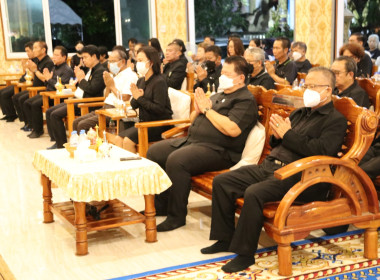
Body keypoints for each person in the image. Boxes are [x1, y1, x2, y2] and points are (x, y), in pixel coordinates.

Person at [201, 67, 347, 273]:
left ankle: (245, 254)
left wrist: (287, 135)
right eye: (306, 86)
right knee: (223, 181)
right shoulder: (300, 112)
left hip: (301, 176)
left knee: (254, 193)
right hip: (271, 166)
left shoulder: (335, 120)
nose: (308, 90)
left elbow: (322, 153)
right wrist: (277, 136)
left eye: (313, 86)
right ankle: (225, 239)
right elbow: (278, 141)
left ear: (328, 90)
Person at [147, 56, 258, 232]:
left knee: (177, 161)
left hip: (220, 150)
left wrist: (207, 109)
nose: (222, 77)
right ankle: (162, 205)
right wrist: (198, 111)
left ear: (241, 78)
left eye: (227, 74)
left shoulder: (245, 100)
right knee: (154, 152)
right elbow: (192, 120)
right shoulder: (218, 95)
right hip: (194, 141)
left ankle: (176, 216)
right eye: (223, 72)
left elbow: (232, 129)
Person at [108, 46, 172, 153]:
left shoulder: (159, 82)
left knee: (128, 141)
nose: (138, 63)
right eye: (137, 60)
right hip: (143, 124)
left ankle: (135, 167)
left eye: (141, 60)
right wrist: (136, 97)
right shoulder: (141, 80)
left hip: (158, 125)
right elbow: (134, 105)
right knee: (118, 139)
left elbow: (159, 109)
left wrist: (140, 98)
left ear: (150, 63)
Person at [46, 45, 106, 149]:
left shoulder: (100, 71)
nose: (83, 60)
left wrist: (81, 79)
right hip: (79, 99)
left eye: (85, 57)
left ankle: (61, 145)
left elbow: (92, 90)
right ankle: (58, 141)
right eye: (82, 58)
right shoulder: (90, 70)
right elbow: (83, 88)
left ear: (94, 56)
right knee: (50, 111)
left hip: (88, 103)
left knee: (55, 115)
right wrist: (78, 80)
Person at [72, 47, 138, 133]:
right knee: (76, 122)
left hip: (116, 110)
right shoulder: (116, 74)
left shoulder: (130, 75)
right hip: (105, 108)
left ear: (123, 61)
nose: (110, 64)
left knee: (82, 124)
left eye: (113, 61)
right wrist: (107, 85)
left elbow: (125, 98)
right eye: (109, 61)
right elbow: (106, 97)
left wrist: (112, 86)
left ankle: (87, 145)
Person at [23, 46, 74, 138]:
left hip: (58, 97)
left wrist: (49, 79)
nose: (54, 57)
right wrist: (47, 79)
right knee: (28, 102)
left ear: (64, 57)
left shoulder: (67, 70)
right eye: (53, 54)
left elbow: (61, 87)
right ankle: (32, 127)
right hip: (48, 93)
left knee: (35, 104)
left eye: (57, 55)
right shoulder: (55, 67)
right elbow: (48, 82)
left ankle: (38, 131)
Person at [12, 41, 54, 130]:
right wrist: (29, 69)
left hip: (43, 89)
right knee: (17, 97)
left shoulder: (48, 62)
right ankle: (27, 123)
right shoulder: (38, 61)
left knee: (24, 100)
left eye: (35, 48)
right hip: (34, 88)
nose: (33, 50)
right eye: (33, 48)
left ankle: (33, 126)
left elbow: (44, 79)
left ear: (43, 50)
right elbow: (33, 76)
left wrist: (35, 70)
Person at [0, 41, 36, 122]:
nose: (27, 53)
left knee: (5, 94)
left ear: (33, 50)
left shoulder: (36, 60)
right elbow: (26, 73)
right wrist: (24, 66)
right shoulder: (30, 60)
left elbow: (32, 76)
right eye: (26, 51)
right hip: (22, 82)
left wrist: (26, 66)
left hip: (26, 84)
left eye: (28, 51)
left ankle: (12, 115)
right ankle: (8, 114)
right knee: (1, 91)